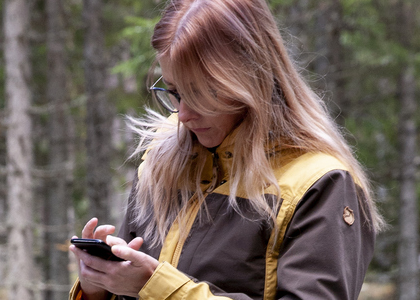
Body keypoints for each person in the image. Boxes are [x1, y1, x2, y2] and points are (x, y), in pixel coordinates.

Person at [68, 0, 385, 299]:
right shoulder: (162, 158)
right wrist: (99, 286)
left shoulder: (318, 184)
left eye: (201, 94)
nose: (183, 114)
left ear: (251, 79)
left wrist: (158, 288)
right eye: (175, 92)